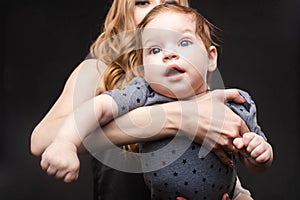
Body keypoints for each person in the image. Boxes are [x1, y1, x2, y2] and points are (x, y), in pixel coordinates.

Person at [30, 0, 264, 199]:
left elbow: (215, 162)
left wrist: (239, 191)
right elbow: (42, 141)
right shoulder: (99, 69)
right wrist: (176, 120)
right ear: (124, 11)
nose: (158, 7)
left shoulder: (185, 73)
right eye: (143, 1)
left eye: (169, 1)